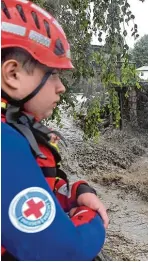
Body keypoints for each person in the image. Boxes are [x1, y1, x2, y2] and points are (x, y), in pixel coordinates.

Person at [1, 0, 109, 260]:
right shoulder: (5, 144)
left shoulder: (13, 129)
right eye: (53, 74)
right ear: (13, 74)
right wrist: (91, 219)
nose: (61, 87)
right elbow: (65, 252)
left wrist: (75, 193)